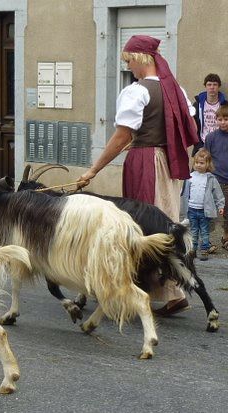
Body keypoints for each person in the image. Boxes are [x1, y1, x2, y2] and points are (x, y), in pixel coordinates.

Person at [78, 35, 199, 317]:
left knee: (141, 227)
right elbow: (189, 124)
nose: (129, 66)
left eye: (129, 60)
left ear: (140, 59)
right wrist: (162, 140)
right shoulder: (175, 89)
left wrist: (94, 169)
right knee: (166, 222)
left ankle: (138, 290)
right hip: (170, 164)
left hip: (146, 162)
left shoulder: (137, 91)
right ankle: (173, 291)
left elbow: (121, 136)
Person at [182, 149, 224, 261]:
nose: (199, 165)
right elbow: (185, 194)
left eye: (202, 163)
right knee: (193, 231)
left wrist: (220, 206)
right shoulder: (190, 177)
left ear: (207, 164)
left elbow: (218, 194)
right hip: (192, 209)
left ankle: (204, 250)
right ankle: (193, 250)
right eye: (196, 162)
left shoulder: (210, 178)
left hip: (204, 211)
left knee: (204, 231)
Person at [204, 104, 228, 251]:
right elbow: (205, 158)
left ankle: (226, 237)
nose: (223, 122)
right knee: (210, 212)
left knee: (227, 212)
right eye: (219, 119)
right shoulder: (211, 137)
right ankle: (207, 242)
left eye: (226, 119)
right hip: (215, 181)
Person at [193, 74, 226, 155]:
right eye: (209, 84)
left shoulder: (225, 105)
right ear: (205, 86)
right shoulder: (197, 105)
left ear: (219, 87)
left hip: (220, 144)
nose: (212, 87)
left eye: (215, 84)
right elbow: (193, 127)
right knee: (200, 167)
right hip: (203, 145)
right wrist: (198, 145)